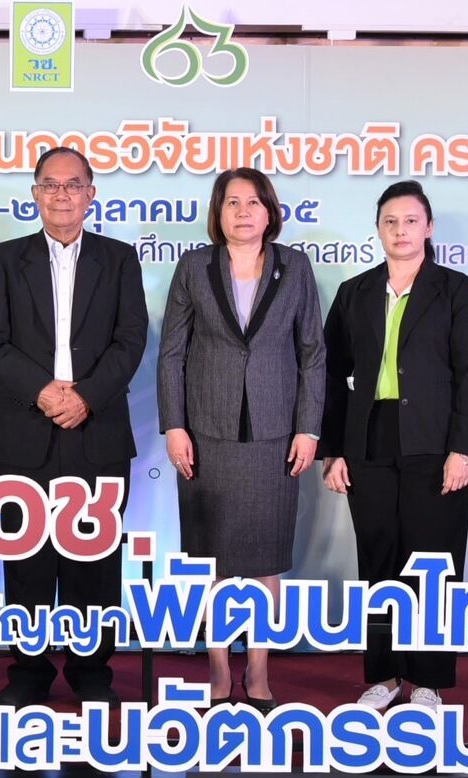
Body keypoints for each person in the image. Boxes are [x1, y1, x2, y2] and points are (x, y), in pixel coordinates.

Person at [0, 146, 148, 707]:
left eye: (73, 185)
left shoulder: (119, 259)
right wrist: (44, 391)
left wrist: (86, 397)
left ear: (90, 195)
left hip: (98, 429)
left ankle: (92, 672)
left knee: (94, 560)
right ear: (35, 194)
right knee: (25, 558)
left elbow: (131, 340)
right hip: (25, 426)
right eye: (50, 185)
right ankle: (27, 674)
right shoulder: (6, 260)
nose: (62, 195)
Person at [156, 168, 324, 712]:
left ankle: (258, 670)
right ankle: (217, 668)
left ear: (270, 211)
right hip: (206, 432)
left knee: (266, 560)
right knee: (213, 561)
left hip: (276, 433)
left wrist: (308, 427)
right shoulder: (194, 267)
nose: (243, 211)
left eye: (254, 202)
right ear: (218, 211)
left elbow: (312, 352)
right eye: (232, 202)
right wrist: (174, 425)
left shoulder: (294, 267)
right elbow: (172, 352)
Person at [319, 180, 468, 711]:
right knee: (379, 558)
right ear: (378, 229)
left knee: (433, 562)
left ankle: (429, 681)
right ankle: (385, 675)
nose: (401, 230)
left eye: (411, 220)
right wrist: (333, 449)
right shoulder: (356, 291)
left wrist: (463, 449)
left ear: (428, 228)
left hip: (435, 442)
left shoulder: (453, 289)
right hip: (370, 437)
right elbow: (330, 372)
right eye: (390, 221)